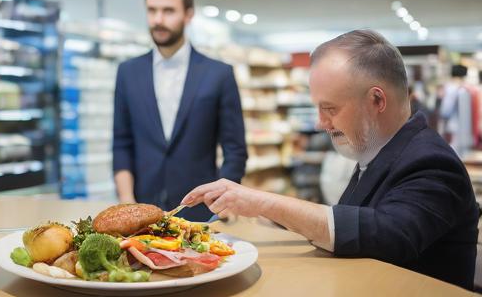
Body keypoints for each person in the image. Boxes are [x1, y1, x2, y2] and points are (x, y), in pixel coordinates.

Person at [181, 30, 479, 289]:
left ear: (377, 100)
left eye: (331, 108)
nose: (322, 123)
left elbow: (388, 235)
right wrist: (271, 217)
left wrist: (265, 202)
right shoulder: (380, 154)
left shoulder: (432, 162)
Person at [112, 0, 247, 221]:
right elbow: (121, 143)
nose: (158, 19)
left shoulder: (219, 74)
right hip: (141, 211)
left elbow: (235, 148)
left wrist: (222, 202)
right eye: (152, 10)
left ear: (189, 13)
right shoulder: (127, 72)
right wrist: (127, 203)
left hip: (201, 213)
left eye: (168, 11)